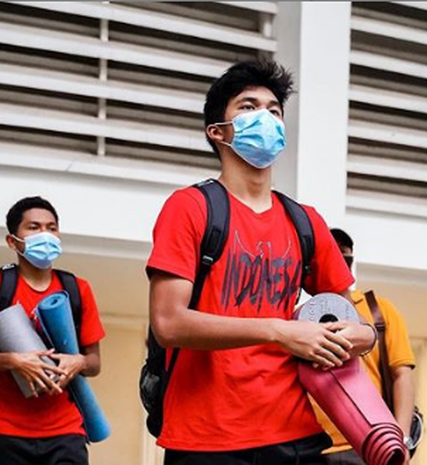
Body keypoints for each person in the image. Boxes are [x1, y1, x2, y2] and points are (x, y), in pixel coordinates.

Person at [146, 59, 377, 465]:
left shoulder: (305, 221)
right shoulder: (190, 207)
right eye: (248, 107)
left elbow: (359, 324)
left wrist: (359, 337)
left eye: (274, 111)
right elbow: (168, 323)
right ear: (218, 132)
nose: (265, 118)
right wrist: (279, 330)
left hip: (295, 434)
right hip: (206, 439)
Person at [0, 196, 105, 465]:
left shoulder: (76, 289)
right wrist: (14, 360)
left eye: (51, 228)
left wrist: (79, 361)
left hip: (66, 430)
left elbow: (94, 363)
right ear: (12, 241)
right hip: (4, 430)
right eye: (34, 228)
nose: (45, 235)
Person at [316, 228, 416, 465]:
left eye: (345, 255)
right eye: (332, 253)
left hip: (369, 443)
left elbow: (402, 375)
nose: (339, 260)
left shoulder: (378, 310)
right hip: (313, 447)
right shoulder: (300, 316)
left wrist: (401, 439)